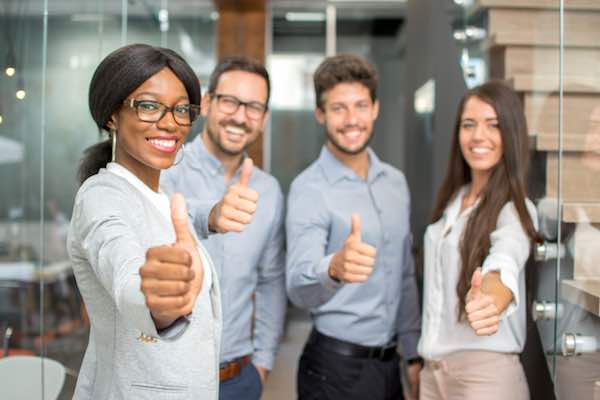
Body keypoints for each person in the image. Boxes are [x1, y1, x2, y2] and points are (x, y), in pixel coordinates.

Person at [67, 43, 221, 399]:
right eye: (149, 105)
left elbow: (173, 214)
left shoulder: (159, 196)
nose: (170, 122)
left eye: (181, 109)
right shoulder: (100, 196)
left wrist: (213, 217)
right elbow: (124, 268)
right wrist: (155, 303)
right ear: (112, 115)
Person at [286, 54, 422, 400]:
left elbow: (404, 275)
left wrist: (413, 352)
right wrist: (334, 268)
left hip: (390, 366)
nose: (351, 120)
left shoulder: (396, 183)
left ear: (375, 108)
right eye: (338, 108)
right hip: (334, 369)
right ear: (320, 114)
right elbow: (298, 285)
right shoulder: (309, 188)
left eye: (360, 105)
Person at [161, 56, 286, 400]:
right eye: (230, 101)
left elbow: (271, 280)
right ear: (206, 103)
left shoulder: (269, 191)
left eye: (254, 107)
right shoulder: (167, 171)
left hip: (239, 380)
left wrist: (262, 364)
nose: (240, 116)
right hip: (167, 377)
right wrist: (210, 216)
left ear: (264, 118)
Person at [418, 80, 539, 400]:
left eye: (493, 125)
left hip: (486, 380)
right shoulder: (453, 200)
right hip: (434, 375)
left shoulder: (515, 209)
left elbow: (506, 256)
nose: (478, 136)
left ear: (511, 134)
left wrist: (490, 299)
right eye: (468, 125)